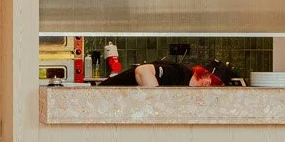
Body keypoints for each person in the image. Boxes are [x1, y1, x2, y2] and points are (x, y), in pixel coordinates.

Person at [100, 58, 235, 87]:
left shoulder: (184, 86)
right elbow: (142, 70)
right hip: (103, 96)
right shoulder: (177, 73)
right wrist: (158, 99)